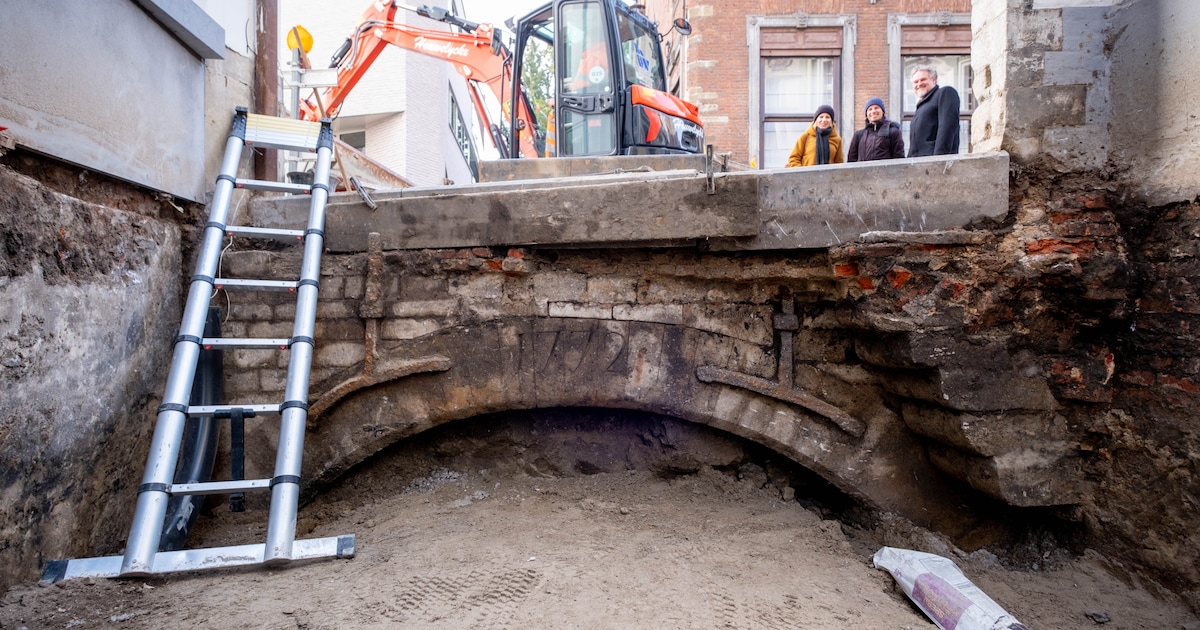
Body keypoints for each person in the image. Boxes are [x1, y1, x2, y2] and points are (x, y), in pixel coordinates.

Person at [907, 64, 961, 157]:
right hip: (917, 165)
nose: (919, 84)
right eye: (916, 82)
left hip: (933, 163)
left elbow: (946, 129)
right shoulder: (921, 107)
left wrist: (937, 162)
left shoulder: (945, 93)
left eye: (923, 79)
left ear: (934, 80)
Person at [847, 97, 904, 162]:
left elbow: (899, 158)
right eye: (870, 109)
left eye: (876, 108)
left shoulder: (893, 132)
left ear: (883, 112)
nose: (873, 111)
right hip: (863, 172)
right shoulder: (859, 135)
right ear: (866, 114)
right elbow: (851, 160)